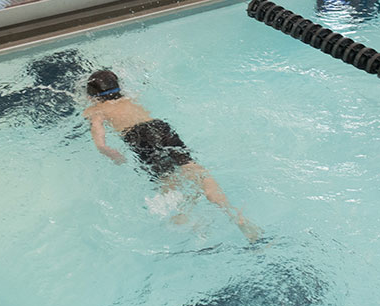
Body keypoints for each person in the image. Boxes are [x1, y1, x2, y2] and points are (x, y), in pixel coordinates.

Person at [83, 69, 261, 241]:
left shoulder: (96, 111)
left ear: (92, 95)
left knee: (168, 181)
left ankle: (189, 220)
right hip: (160, 128)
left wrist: (107, 151)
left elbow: (99, 139)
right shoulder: (130, 99)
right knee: (195, 170)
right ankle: (233, 214)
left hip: (137, 137)